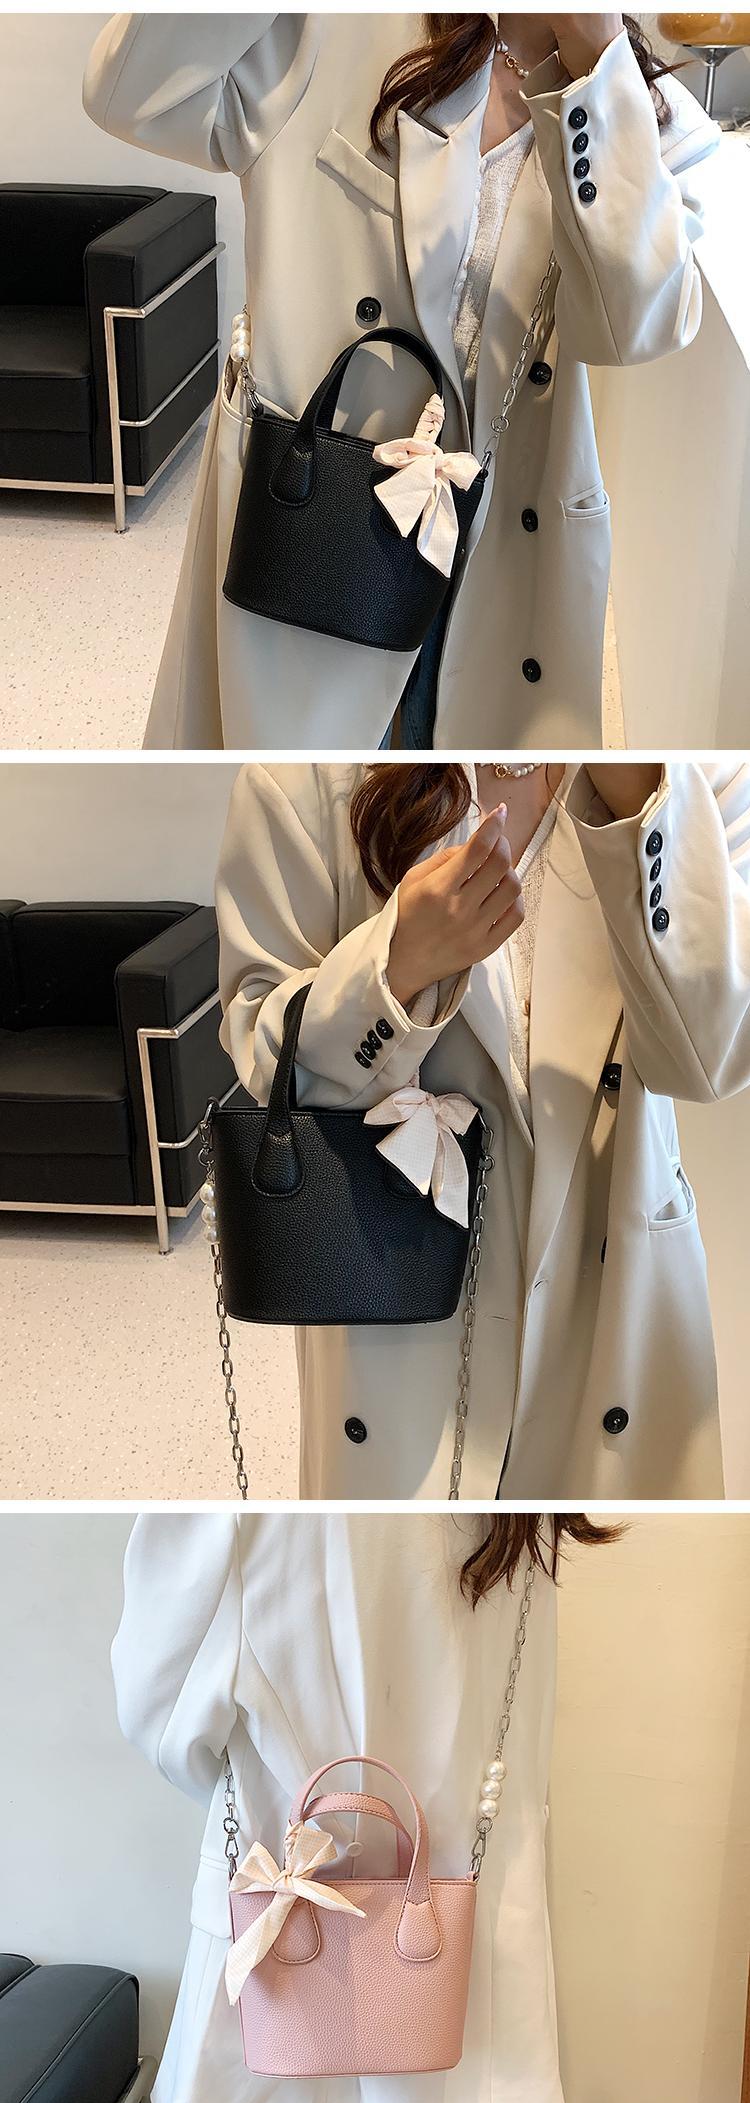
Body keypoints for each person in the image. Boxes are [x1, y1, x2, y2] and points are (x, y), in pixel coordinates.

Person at [81, 13, 717, 749]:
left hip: (500, 552)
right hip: (317, 539)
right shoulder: (328, 31)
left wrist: (594, 52)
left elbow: (637, 328)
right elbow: (126, 95)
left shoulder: (642, 105)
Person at [215, 754, 750, 1501]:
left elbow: (713, 1060)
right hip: (397, 1285)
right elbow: (266, 1059)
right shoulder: (312, 776)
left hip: (618, 1287)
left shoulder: (697, 775)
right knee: (413, 1560)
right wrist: (395, 969)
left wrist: (643, 810)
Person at [111, 1510, 612, 2103]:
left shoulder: (249, 1503)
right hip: (444, 1977)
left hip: (285, 1976)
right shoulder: (520, 1512)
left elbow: (162, 1716)